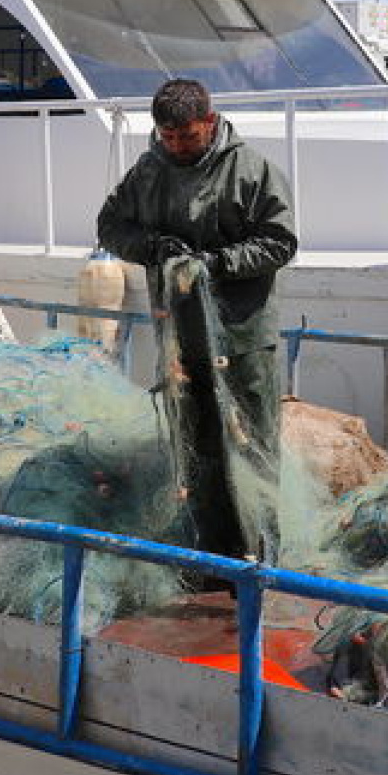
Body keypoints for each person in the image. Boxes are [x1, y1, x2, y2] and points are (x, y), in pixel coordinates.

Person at [96, 77, 297, 564]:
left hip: (243, 339)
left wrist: (218, 263)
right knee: (196, 448)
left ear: (209, 122)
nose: (177, 147)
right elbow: (110, 226)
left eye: (187, 136)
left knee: (253, 448)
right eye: (168, 138)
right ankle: (212, 556)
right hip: (181, 344)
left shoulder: (251, 170)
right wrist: (153, 247)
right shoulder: (148, 172)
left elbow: (280, 242)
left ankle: (264, 560)